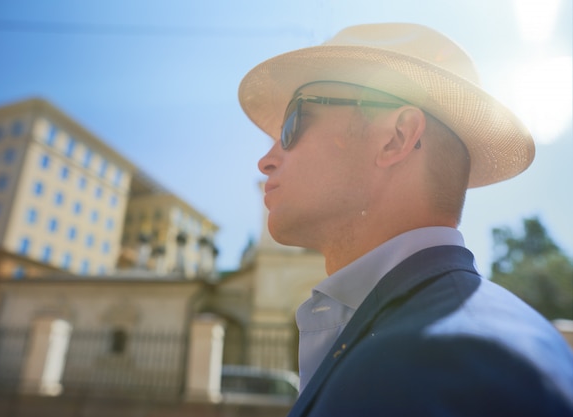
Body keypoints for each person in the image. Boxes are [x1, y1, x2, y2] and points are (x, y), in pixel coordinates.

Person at [238, 23, 573, 416]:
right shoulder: (445, 341)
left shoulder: (455, 360)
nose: (267, 160)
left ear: (397, 137)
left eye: (293, 124)